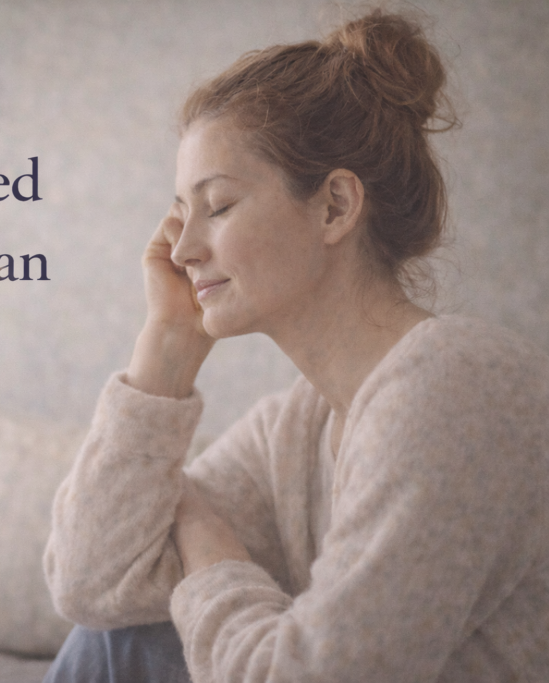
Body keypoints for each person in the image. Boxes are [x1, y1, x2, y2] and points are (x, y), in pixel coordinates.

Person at [42, 9, 549, 683]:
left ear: (335, 205)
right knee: (117, 640)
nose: (184, 249)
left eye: (217, 205)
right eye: (180, 213)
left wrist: (204, 534)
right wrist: (165, 346)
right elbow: (90, 586)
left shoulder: (459, 383)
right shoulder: (296, 425)